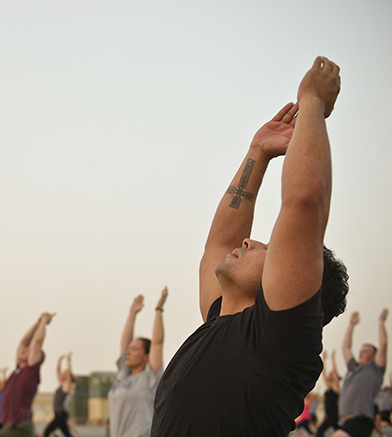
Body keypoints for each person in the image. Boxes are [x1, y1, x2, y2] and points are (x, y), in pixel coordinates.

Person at [150, 57, 349, 437]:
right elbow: (220, 243)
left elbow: (304, 200)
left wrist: (312, 103)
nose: (248, 241)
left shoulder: (279, 341)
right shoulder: (219, 322)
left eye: (271, 250)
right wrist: (258, 152)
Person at [109, 287, 168, 437]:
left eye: (135, 349)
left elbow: (157, 343)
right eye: (130, 349)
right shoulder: (124, 374)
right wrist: (132, 314)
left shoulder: (150, 378)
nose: (128, 352)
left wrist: (158, 308)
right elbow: (124, 344)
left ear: (146, 356)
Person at [0, 312, 55, 437]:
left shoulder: (30, 371)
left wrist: (44, 321)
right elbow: (22, 343)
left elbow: (37, 341)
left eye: (29, 350)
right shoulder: (19, 369)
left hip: (20, 425)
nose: (25, 349)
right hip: (12, 424)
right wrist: (37, 324)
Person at [333, 309, 388, 437]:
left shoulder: (375, 369)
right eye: (360, 350)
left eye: (365, 351)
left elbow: (383, 345)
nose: (360, 353)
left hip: (361, 420)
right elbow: (346, 348)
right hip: (346, 421)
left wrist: (381, 322)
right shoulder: (353, 368)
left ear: (374, 356)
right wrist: (351, 325)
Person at [44, 352, 76, 437]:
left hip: (60, 414)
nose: (62, 374)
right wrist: (60, 359)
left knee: (47, 432)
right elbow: (57, 371)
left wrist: (68, 360)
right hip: (59, 414)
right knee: (67, 434)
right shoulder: (61, 384)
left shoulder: (66, 385)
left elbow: (69, 374)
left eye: (65, 373)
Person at [316, 349, 341, 437]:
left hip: (333, 414)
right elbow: (323, 373)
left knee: (320, 430)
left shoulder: (336, 386)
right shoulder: (328, 386)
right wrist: (324, 359)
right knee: (339, 429)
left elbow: (335, 372)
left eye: (332, 374)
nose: (330, 374)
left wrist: (333, 359)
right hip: (329, 413)